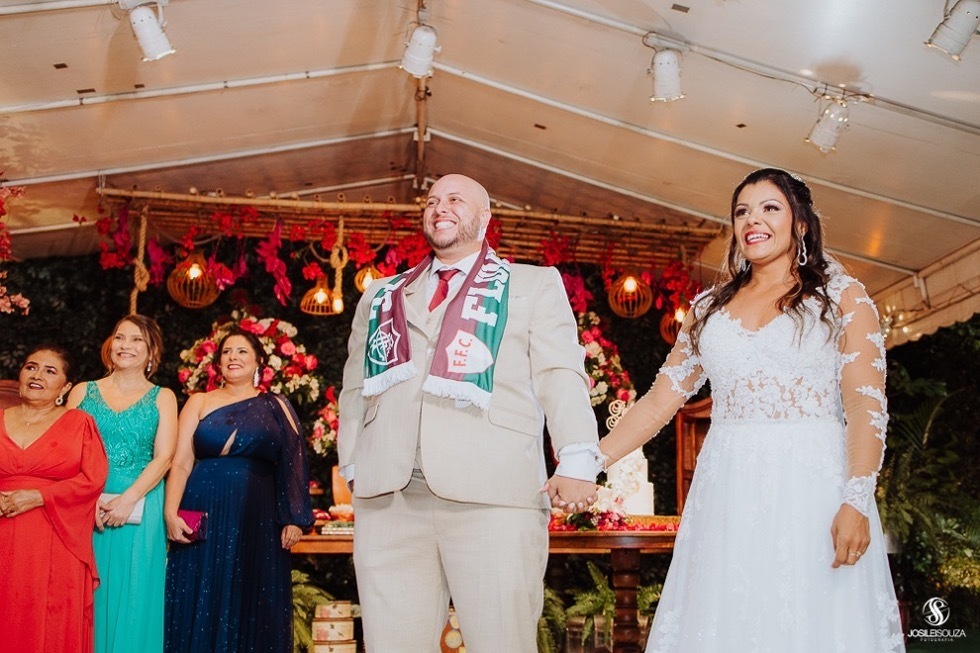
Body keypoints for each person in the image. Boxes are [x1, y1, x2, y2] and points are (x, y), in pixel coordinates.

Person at [585, 168, 905, 652]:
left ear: (800, 223)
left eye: (769, 208)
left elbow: (865, 403)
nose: (753, 220)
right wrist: (587, 462)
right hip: (728, 489)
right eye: (742, 211)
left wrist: (856, 498)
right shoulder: (708, 309)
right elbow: (657, 403)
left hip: (813, 487)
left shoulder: (841, 297)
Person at [339, 173, 600, 652]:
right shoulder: (382, 295)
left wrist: (579, 457)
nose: (441, 206)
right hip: (390, 499)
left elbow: (560, 374)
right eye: (433, 200)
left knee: (501, 642)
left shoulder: (533, 284)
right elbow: (355, 387)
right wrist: (354, 461)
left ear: (485, 218)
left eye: (456, 199)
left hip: (494, 496)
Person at [163, 327, 314, 653]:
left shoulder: (276, 405)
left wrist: (293, 517)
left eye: (242, 351)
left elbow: (293, 459)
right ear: (218, 362)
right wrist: (170, 512)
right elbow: (180, 463)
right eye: (227, 352)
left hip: (257, 515)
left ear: (258, 360)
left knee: (252, 594)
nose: (234, 357)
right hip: (202, 507)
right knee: (202, 590)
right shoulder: (198, 401)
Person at [66, 315, 178, 653]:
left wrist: (128, 499)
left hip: (141, 504)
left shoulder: (164, 397)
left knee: (135, 597)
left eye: (136, 340)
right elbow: (66, 452)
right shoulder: (82, 391)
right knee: (86, 594)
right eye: (119, 338)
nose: (125, 346)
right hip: (86, 504)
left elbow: (165, 458)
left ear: (151, 352)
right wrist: (89, 499)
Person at [0, 344, 109, 653]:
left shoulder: (79, 423)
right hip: (3, 537)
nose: (38, 375)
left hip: (54, 539)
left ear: (66, 386)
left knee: (47, 622)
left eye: (50, 371)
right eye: (31, 367)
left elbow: (92, 479)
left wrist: (39, 496)